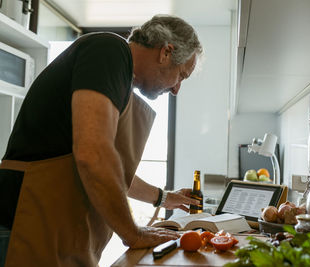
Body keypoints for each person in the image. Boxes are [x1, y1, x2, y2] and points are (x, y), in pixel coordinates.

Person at [0, 15, 203, 266]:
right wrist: (133, 233)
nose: (176, 89)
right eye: (181, 75)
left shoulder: (119, 79)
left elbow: (110, 170)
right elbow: (93, 154)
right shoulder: (109, 51)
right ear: (166, 52)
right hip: (25, 221)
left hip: (51, 224)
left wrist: (163, 198)